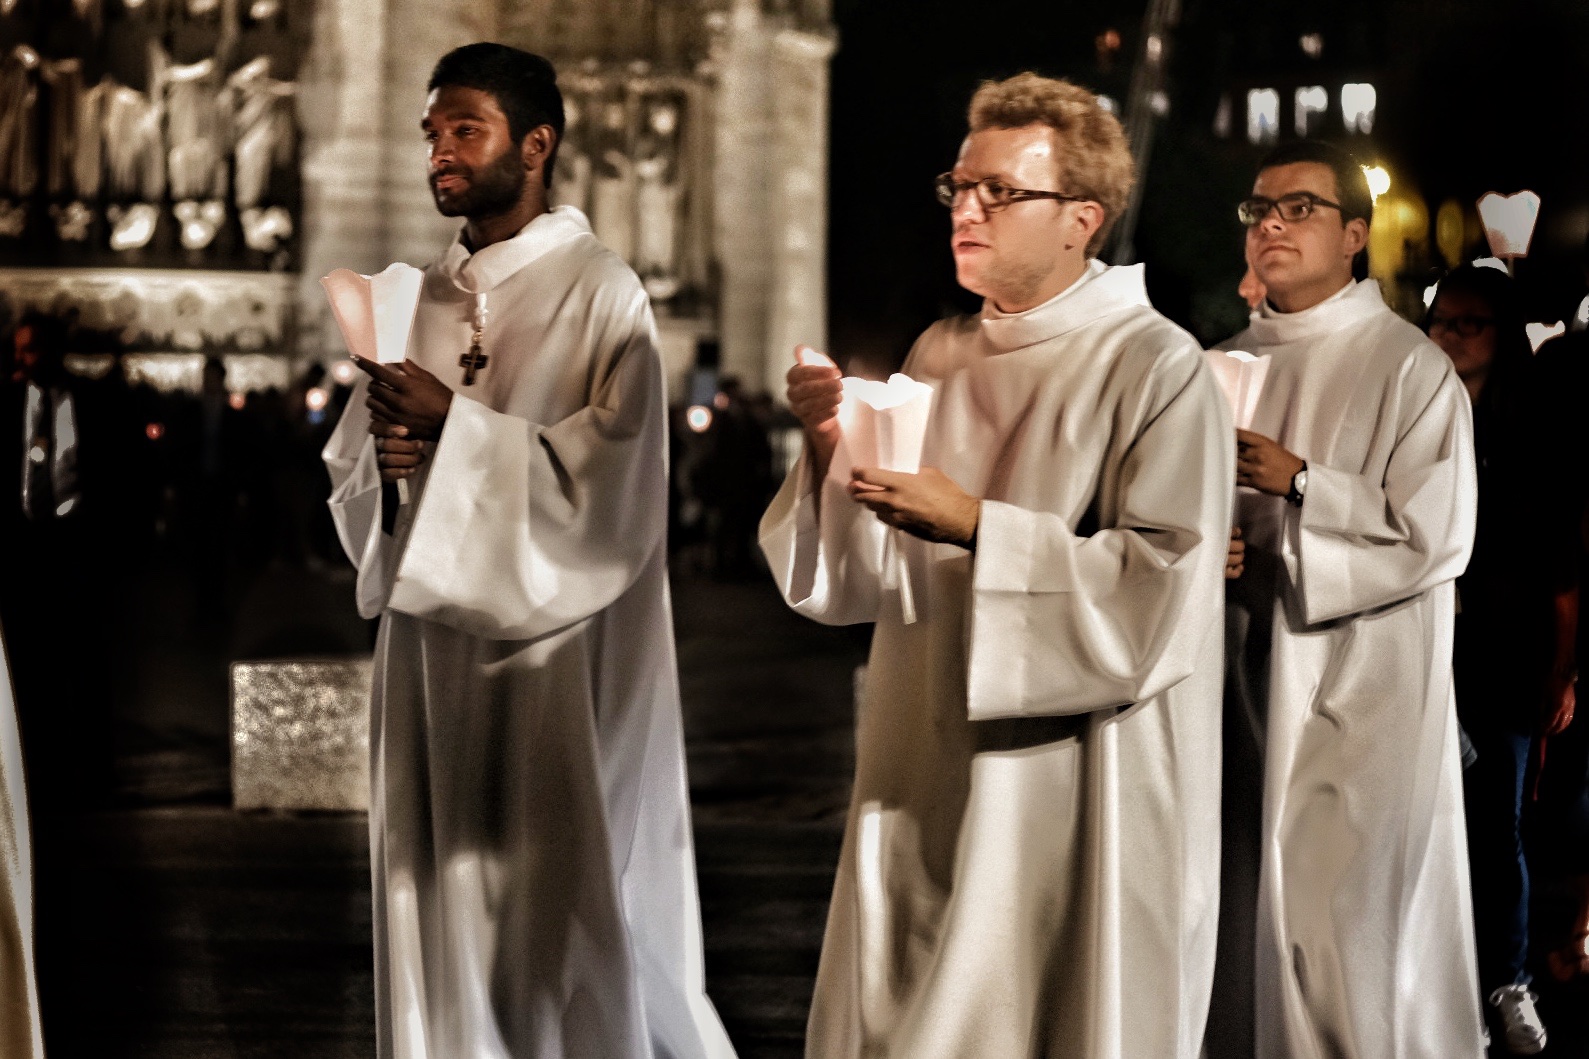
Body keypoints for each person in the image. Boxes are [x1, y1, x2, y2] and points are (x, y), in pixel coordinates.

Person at [761, 73, 1232, 1058]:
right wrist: (825, 447)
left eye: (998, 192)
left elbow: (1162, 588)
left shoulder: (1155, 366)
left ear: (1081, 219)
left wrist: (980, 525)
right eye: (957, 188)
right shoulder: (937, 354)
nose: (965, 210)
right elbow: (854, 580)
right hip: (919, 754)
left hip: (1066, 778)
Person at [323, 43, 734, 1059]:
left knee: (550, 914)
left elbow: (618, 485)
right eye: (432, 134)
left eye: (466, 131)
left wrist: (455, 429)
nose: (441, 155)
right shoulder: (412, 299)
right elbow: (353, 472)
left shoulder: (604, 293)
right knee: (436, 896)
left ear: (535, 145)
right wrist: (395, 459)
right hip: (431, 652)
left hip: (553, 661)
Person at [1210, 139, 1485, 1058]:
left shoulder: (1409, 368)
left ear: (1354, 236)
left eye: (1298, 210)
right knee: (1241, 913)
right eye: (1258, 211)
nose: (1271, 227)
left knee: (1340, 933)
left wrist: (1302, 486)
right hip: (1239, 684)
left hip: (1359, 695)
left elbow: (1435, 534)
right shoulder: (1212, 366)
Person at [1427, 263, 1567, 1053]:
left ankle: (1504, 978)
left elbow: (1558, 563)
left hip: (1502, 654)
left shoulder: (1530, 428)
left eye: (1466, 322)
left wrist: (1561, 669)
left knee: (1494, 823)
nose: (1446, 335)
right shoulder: (1411, 411)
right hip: (1421, 644)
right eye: (1439, 320)